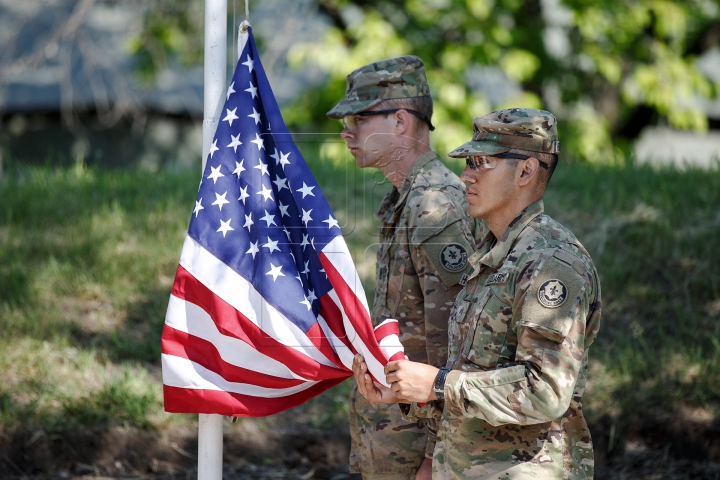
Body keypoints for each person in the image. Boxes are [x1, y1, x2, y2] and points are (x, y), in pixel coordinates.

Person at [353, 108, 602, 479]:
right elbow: (474, 382)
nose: (466, 175)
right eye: (468, 162)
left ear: (526, 171)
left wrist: (437, 384)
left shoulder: (550, 262)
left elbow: (545, 391)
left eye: (481, 162)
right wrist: (410, 394)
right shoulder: (490, 257)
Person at [327, 56, 483, 480]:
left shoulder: (434, 207)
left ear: (399, 121)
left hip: (419, 448)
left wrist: (437, 457)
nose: (347, 131)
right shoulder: (407, 201)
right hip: (397, 436)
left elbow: (457, 339)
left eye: (359, 118)